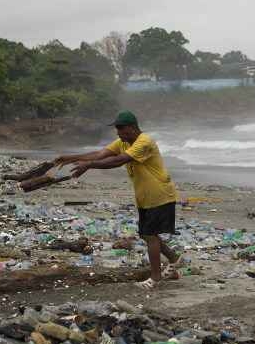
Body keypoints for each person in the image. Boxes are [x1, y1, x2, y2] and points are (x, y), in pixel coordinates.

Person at [54, 110, 180, 289]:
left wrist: (88, 165)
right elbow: (101, 154)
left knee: (150, 235)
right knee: (145, 234)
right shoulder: (122, 142)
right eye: (116, 128)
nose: (118, 132)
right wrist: (71, 158)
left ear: (132, 128)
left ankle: (156, 278)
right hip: (145, 196)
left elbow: (119, 160)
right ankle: (174, 260)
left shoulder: (144, 142)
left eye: (120, 128)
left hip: (159, 193)